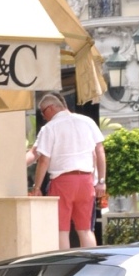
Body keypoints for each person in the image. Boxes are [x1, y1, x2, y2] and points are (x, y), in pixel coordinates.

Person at [28, 93, 106, 248]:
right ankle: (92, 266)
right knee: (85, 230)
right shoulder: (87, 121)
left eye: (43, 113)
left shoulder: (50, 128)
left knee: (61, 229)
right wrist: (101, 181)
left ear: (50, 109)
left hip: (62, 181)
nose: (44, 117)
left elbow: (43, 160)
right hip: (86, 180)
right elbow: (100, 151)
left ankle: (64, 267)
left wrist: (37, 187)